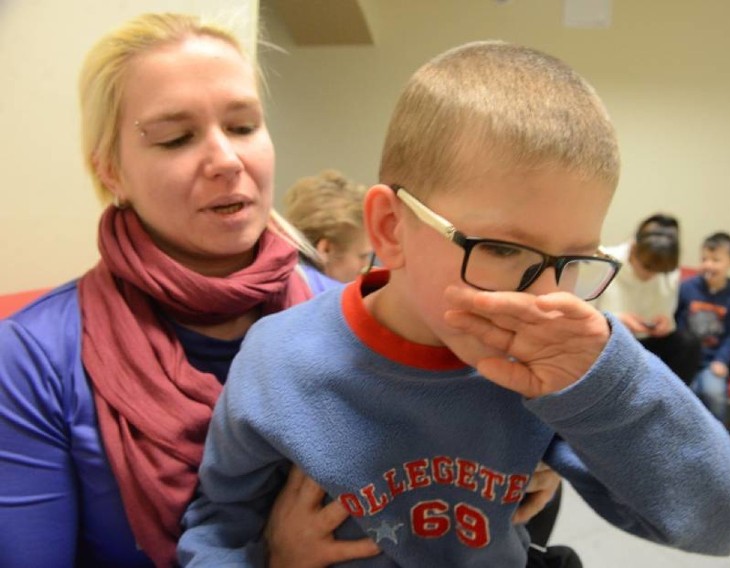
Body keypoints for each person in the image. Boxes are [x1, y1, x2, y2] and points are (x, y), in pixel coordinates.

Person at [0, 15, 558, 568]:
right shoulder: (33, 359)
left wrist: (518, 453)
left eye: (243, 126)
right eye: (176, 138)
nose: (226, 160)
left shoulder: (351, 314)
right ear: (111, 170)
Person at [179, 41, 730, 566]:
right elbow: (217, 529)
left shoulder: (549, 371)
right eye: (501, 248)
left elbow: (715, 525)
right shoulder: (278, 363)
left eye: (574, 261)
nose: (544, 299)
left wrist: (606, 385)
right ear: (390, 228)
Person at [595, 214, 702, 382]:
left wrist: (666, 324)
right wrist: (616, 320)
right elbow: (580, 314)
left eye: (659, 271)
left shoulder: (670, 272)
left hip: (647, 343)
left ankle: (671, 402)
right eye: (646, 267)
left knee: (689, 344)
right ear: (633, 247)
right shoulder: (604, 261)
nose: (651, 275)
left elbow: (667, 315)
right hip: (607, 340)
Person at [676, 232, 730, 421]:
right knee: (684, 394)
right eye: (704, 259)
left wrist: (722, 360)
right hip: (686, 358)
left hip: (712, 361)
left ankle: (716, 439)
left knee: (712, 391)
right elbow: (677, 322)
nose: (708, 264)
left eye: (716, 260)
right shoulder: (686, 288)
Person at [282, 169, 372, 293]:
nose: (367, 267)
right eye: (363, 256)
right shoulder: (337, 302)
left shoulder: (278, 284)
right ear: (326, 249)